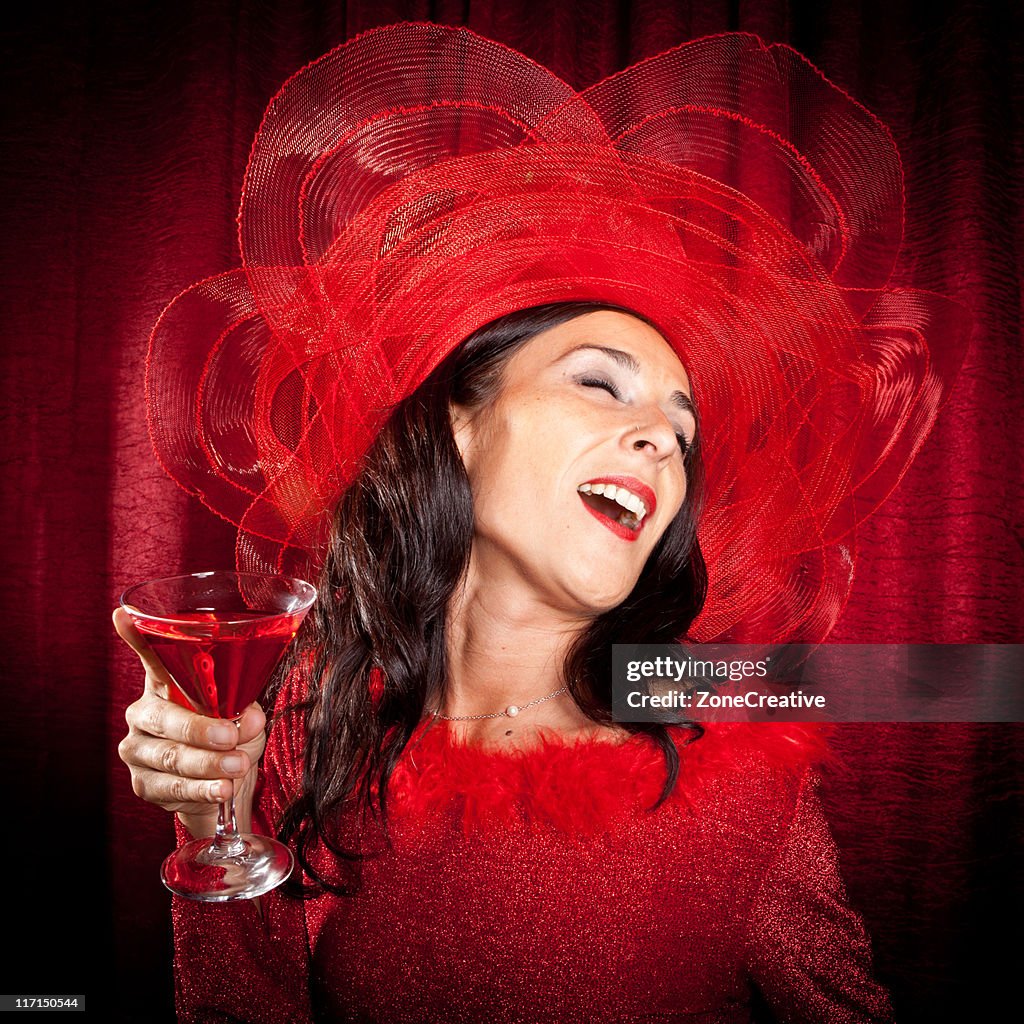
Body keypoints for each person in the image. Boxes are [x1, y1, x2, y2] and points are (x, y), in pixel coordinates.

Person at [115, 23, 967, 1023]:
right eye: (602, 385)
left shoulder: (739, 785)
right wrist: (209, 821)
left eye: (680, 429)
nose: (659, 437)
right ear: (458, 425)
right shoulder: (310, 728)